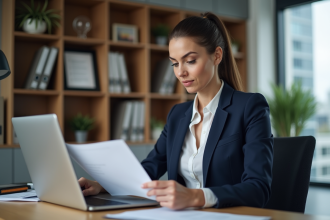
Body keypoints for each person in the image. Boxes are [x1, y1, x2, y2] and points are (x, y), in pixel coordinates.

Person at [78, 12, 273, 210]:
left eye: (190, 61)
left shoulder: (250, 107)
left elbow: (258, 189)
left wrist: (196, 197)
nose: (180, 72)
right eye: (175, 63)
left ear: (216, 56)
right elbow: (149, 169)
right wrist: (102, 186)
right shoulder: (178, 114)